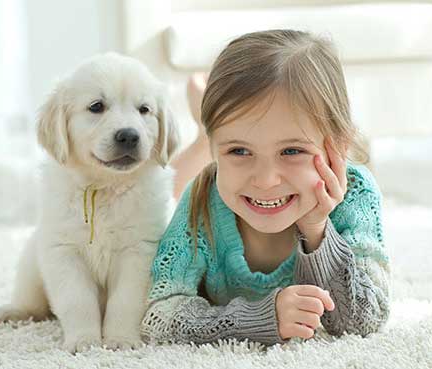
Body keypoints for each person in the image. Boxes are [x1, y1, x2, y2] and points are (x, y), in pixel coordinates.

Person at [141, 29, 390, 346]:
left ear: (337, 146)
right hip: (209, 174)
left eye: (292, 151)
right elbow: (158, 316)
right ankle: (203, 137)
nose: (265, 180)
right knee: (167, 188)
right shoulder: (200, 200)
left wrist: (317, 231)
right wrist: (260, 318)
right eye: (239, 151)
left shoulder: (356, 194)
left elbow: (364, 321)